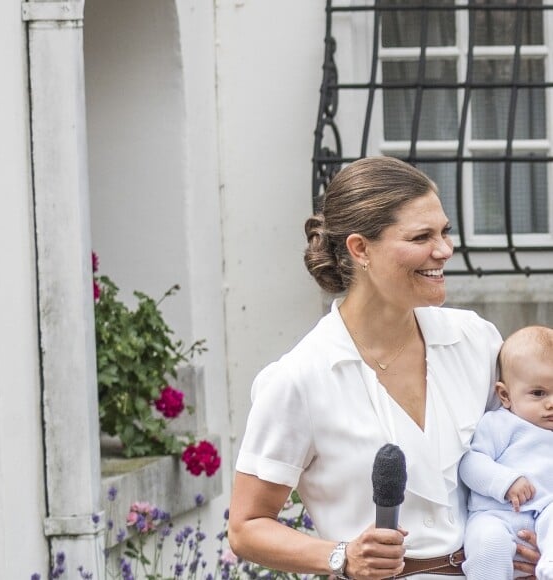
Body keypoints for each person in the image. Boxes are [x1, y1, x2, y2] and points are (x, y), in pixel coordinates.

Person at [228, 156, 539, 579]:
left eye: (445, 231)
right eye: (421, 236)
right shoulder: (299, 379)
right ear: (360, 249)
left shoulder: (475, 341)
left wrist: (535, 538)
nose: (444, 250)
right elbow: (247, 527)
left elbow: (529, 444)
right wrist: (341, 556)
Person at [459, 325, 553, 580]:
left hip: (546, 515)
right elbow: (470, 463)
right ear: (505, 395)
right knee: (488, 544)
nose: (550, 403)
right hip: (497, 514)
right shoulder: (501, 423)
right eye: (538, 393)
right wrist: (505, 481)